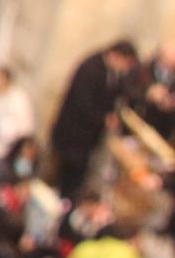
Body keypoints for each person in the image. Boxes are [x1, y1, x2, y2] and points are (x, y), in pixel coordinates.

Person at [51, 39, 143, 201]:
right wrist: (103, 119)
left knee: (79, 176)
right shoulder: (91, 68)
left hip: (88, 138)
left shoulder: (113, 73)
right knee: (67, 175)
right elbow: (81, 101)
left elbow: (121, 91)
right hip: (73, 133)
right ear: (116, 56)